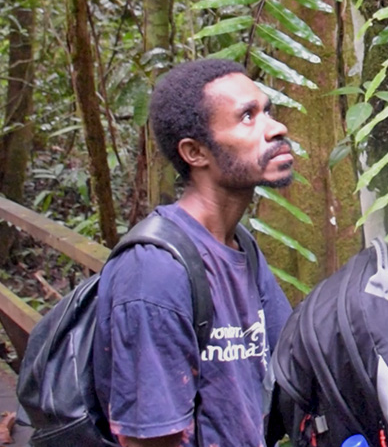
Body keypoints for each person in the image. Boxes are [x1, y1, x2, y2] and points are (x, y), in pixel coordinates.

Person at [93, 59, 295, 447]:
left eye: (267, 110)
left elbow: (293, 360)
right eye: (247, 117)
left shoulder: (240, 244)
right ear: (195, 152)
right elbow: (148, 439)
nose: (276, 128)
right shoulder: (154, 271)